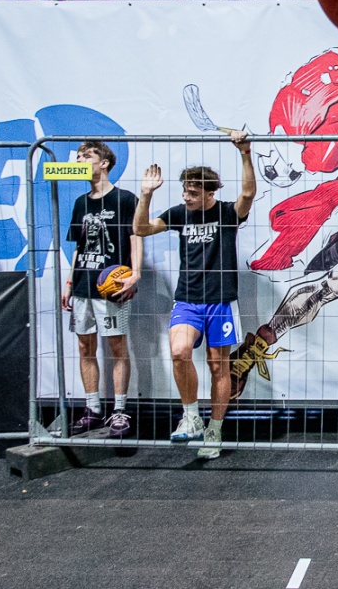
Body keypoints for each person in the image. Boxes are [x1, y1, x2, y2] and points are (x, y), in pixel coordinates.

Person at [134, 131, 256, 460]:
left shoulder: (227, 214)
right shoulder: (179, 213)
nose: (186, 197)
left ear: (209, 192)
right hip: (188, 299)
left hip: (221, 302)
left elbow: (248, 192)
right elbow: (140, 229)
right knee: (179, 351)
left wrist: (245, 153)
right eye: (184, 191)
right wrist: (145, 194)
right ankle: (191, 416)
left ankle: (214, 430)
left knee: (218, 367)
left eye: (192, 193)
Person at [62, 139, 141, 438]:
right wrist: (69, 282)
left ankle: (119, 410)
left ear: (104, 163)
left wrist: (135, 274)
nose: (80, 160)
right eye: (78, 156)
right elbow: (78, 246)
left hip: (111, 286)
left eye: (87, 156)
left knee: (117, 347)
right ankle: (92, 409)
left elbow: (136, 237)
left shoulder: (125, 199)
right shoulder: (80, 202)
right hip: (83, 284)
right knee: (85, 347)